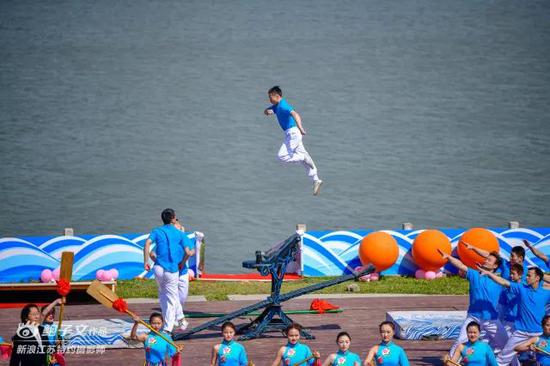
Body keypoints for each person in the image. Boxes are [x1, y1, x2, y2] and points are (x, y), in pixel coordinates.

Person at [439, 249, 508, 356]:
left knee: (505, 343)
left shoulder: (498, 280)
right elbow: (461, 266)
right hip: (473, 317)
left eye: (489, 260)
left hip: (491, 319)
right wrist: (449, 257)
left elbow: (509, 275)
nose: (485, 261)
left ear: (495, 266)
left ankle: (486, 356)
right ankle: (452, 361)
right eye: (486, 259)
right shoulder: (475, 274)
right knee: (460, 341)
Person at [477, 266, 550, 366]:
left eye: (529, 276)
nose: (526, 278)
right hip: (520, 332)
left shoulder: (546, 293)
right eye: (526, 275)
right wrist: (489, 274)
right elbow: (503, 282)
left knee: (543, 359)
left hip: (538, 334)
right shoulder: (521, 288)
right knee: (503, 358)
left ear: (537, 278)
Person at [264, 86, 323, 196]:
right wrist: (268, 112)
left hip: (293, 134)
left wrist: (300, 127)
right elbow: (268, 111)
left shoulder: (283, 105)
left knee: (282, 156)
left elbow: (295, 114)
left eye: (270, 97)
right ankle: (316, 179)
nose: (269, 99)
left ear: (277, 96)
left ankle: (302, 157)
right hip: (291, 134)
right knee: (304, 159)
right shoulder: (277, 106)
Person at [143, 208, 191, 332]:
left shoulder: (157, 231)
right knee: (171, 297)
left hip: (158, 268)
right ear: (173, 218)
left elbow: (147, 243)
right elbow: (189, 251)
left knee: (163, 294)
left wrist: (146, 262)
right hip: (171, 270)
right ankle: (168, 328)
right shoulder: (179, 233)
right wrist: (183, 262)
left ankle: (180, 319)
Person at [462, 241, 527, 281]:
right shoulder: (505, 264)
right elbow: (488, 254)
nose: (510, 258)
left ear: (520, 258)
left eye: (512, 256)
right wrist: (473, 248)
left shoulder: (526, 271)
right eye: (510, 255)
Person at [173, 219, 196, 331]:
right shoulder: (169, 237)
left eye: (179, 224)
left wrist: (182, 262)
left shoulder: (183, 236)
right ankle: (176, 318)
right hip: (171, 271)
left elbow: (191, 251)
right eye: (176, 224)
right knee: (172, 295)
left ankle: (178, 315)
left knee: (182, 296)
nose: (179, 225)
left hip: (182, 271)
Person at [498, 263, 523, 337]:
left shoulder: (525, 288)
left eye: (513, 274)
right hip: (508, 320)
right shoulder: (507, 289)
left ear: (520, 275)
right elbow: (504, 306)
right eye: (510, 274)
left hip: (520, 322)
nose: (511, 276)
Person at [40, 298, 66, 366]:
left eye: (52, 313)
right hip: (42, 358)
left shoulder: (57, 328)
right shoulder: (40, 327)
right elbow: (43, 313)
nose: (51, 315)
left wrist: (56, 358)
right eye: (48, 313)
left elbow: (62, 347)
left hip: (54, 359)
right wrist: (56, 301)